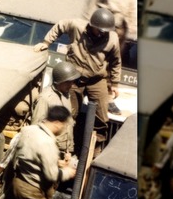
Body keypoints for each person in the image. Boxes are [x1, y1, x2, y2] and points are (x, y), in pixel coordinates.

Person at [34, 8, 122, 150]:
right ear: (92, 25)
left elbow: (116, 62)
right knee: (68, 114)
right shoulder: (77, 26)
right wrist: (46, 42)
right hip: (73, 78)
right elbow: (60, 25)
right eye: (99, 30)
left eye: (105, 31)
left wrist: (115, 83)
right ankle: (64, 148)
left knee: (101, 117)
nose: (102, 33)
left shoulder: (112, 39)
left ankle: (95, 152)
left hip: (96, 79)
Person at [31, 62, 81, 162]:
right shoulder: (45, 98)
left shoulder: (66, 95)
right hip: (49, 151)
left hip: (63, 151)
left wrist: (68, 151)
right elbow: (36, 127)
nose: (71, 85)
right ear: (59, 81)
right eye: (68, 82)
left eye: (72, 81)